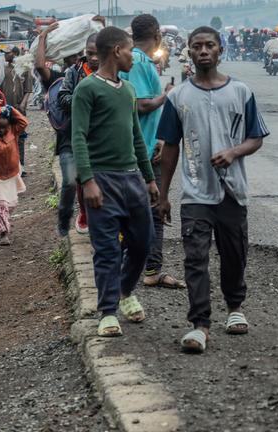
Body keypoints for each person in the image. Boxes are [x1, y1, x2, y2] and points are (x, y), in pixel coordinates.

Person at [157, 26, 269, 354]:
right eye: (197, 46)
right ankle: (200, 325)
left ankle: (235, 308)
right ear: (188, 53)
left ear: (220, 50)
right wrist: (163, 195)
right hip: (195, 193)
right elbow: (170, 147)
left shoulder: (241, 92)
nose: (204, 51)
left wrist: (234, 152)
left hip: (233, 191)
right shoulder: (178, 97)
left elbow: (255, 137)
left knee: (235, 254)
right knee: (195, 257)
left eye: (210, 45)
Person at [71, 26, 159, 338]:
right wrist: (88, 180)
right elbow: (78, 136)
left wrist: (149, 178)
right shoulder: (88, 89)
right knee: (107, 249)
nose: (134, 57)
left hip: (132, 178)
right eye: (129, 50)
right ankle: (108, 311)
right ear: (115, 51)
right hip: (102, 180)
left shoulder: (128, 90)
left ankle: (125, 289)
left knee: (142, 242)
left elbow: (136, 136)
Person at [119, 14, 184, 290]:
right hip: (142, 150)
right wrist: (167, 95)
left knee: (140, 211)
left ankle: (139, 266)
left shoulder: (138, 60)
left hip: (144, 145)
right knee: (154, 209)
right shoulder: (139, 62)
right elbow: (140, 105)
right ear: (157, 35)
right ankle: (150, 269)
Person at [56, 32, 100, 236]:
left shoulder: (113, 74)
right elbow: (62, 98)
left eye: (98, 53)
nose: (93, 58)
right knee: (70, 180)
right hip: (71, 136)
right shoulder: (74, 72)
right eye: (90, 53)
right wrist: (84, 98)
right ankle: (64, 220)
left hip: (97, 138)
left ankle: (87, 215)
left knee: (90, 179)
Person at [0, 105, 28, 246]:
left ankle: (0, 224)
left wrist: (10, 108)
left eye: (4, 127)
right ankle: (3, 232)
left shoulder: (14, 130)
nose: (1, 130)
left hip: (11, 175)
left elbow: (24, 122)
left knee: (9, 205)